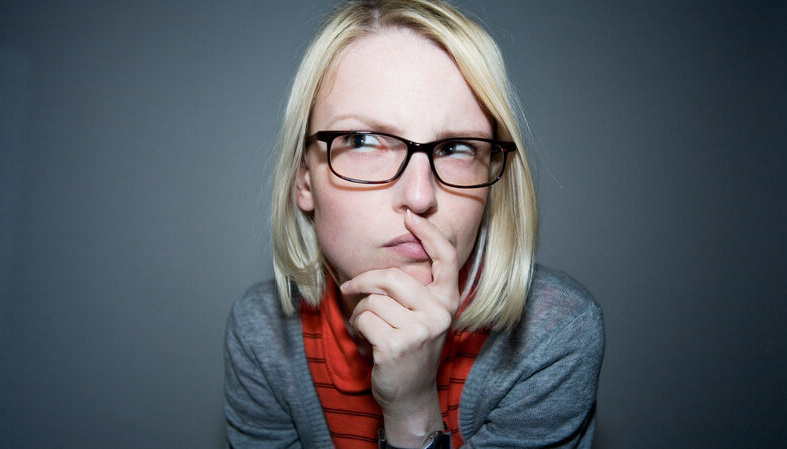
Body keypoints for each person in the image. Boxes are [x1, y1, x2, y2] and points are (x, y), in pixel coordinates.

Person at [224, 1, 604, 448]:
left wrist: (411, 412)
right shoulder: (263, 334)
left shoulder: (552, 334)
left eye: (456, 147)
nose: (420, 196)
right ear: (303, 179)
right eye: (363, 141)